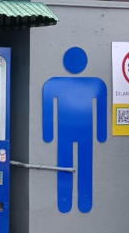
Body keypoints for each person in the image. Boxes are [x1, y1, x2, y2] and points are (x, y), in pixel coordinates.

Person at [42, 47, 107, 213]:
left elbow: (48, 109)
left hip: (65, 133)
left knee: (65, 166)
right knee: (85, 165)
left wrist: (48, 134)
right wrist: (101, 134)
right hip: (86, 133)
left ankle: (65, 201)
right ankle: (83, 200)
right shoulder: (96, 83)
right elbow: (102, 110)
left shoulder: (54, 83)